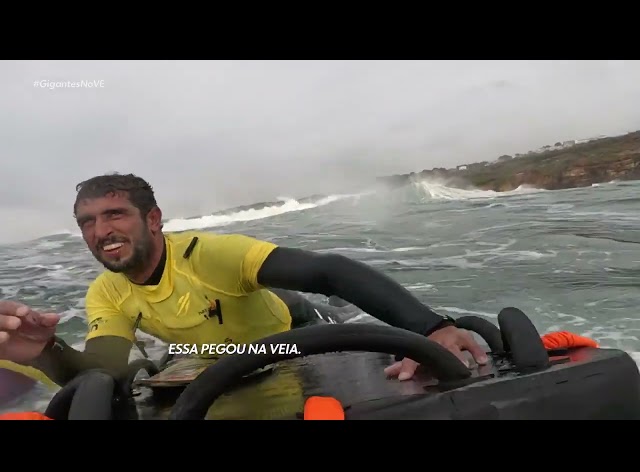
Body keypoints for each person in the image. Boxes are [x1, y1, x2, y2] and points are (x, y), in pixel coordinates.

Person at [1, 173, 488, 387]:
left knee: (352, 326)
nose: (101, 231)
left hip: (296, 326)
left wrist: (432, 329)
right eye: (87, 221)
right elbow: (102, 371)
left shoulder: (208, 254)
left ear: (153, 219)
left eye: (114, 214)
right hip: (228, 356)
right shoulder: (106, 292)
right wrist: (46, 352)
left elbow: (329, 271)